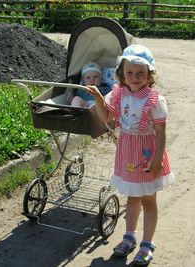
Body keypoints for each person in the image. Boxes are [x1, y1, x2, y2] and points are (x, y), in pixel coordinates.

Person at [84, 44, 175, 265]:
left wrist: (156, 161)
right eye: (130, 72)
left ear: (149, 74)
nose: (135, 77)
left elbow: (161, 133)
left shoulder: (154, 100)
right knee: (132, 197)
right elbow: (107, 118)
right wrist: (97, 97)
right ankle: (129, 237)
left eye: (140, 73)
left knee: (149, 201)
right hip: (127, 153)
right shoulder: (118, 94)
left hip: (147, 154)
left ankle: (147, 244)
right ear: (122, 74)